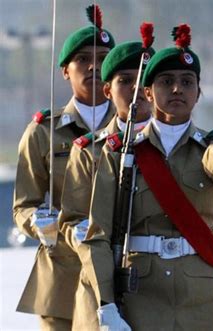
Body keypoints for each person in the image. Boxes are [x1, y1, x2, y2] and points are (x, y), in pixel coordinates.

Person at [76, 24, 213, 331]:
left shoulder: (208, 146)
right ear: (148, 93)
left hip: (202, 294)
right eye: (166, 82)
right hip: (142, 294)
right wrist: (106, 305)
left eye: (187, 82)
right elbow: (97, 236)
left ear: (199, 92)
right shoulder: (120, 153)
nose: (177, 89)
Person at [12, 5, 115, 329]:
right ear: (65, 71)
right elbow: (23, 206)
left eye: (102, 59)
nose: (93, 67)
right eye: (83, 59)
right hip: (63, 275)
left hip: (121, 270)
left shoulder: (135, 130)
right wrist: (43, 224)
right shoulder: (43, 132)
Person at [58, 26, 155, 330]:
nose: (136, 89)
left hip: (162, 291)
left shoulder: (179, 146)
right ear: (108, 89)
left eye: (144, 81)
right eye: (125, 81)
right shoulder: (89, 150)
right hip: (100, 280)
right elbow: (73, 219)